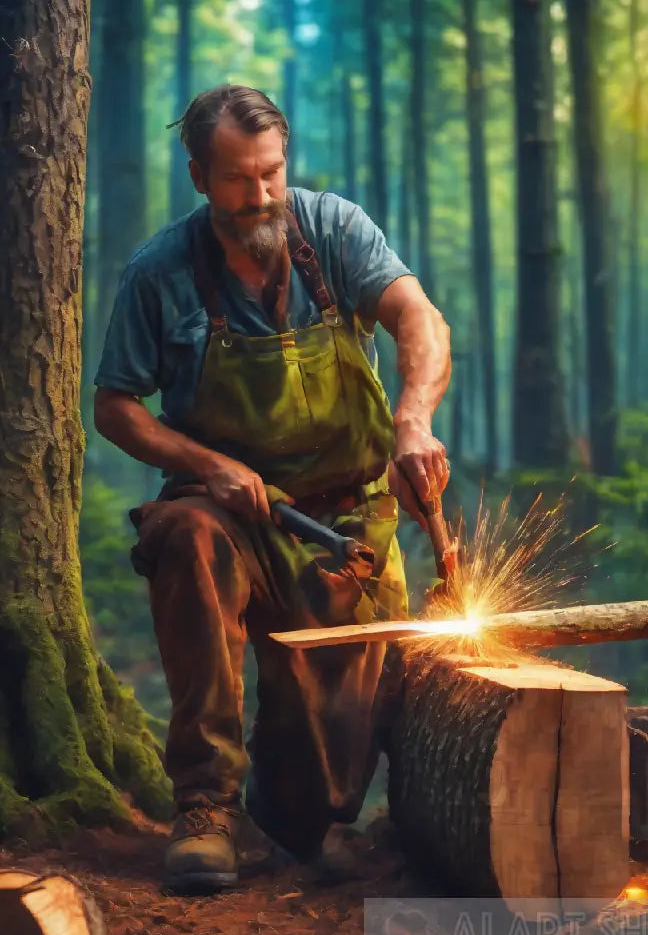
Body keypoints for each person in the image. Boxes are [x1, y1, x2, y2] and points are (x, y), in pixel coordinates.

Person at [93, 84, 451, 892]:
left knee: (320, 784)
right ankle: (206, 807)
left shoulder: (334, 230)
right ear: (198, 176)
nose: (260, 196)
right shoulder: (159, 272)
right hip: (226, 513)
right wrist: (208, 465)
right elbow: (114, 405)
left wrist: (414, 422)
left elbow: (420, 319)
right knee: (184, 538)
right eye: (238, 179)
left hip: (345, 521)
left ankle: (293, 817)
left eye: (271, 173)